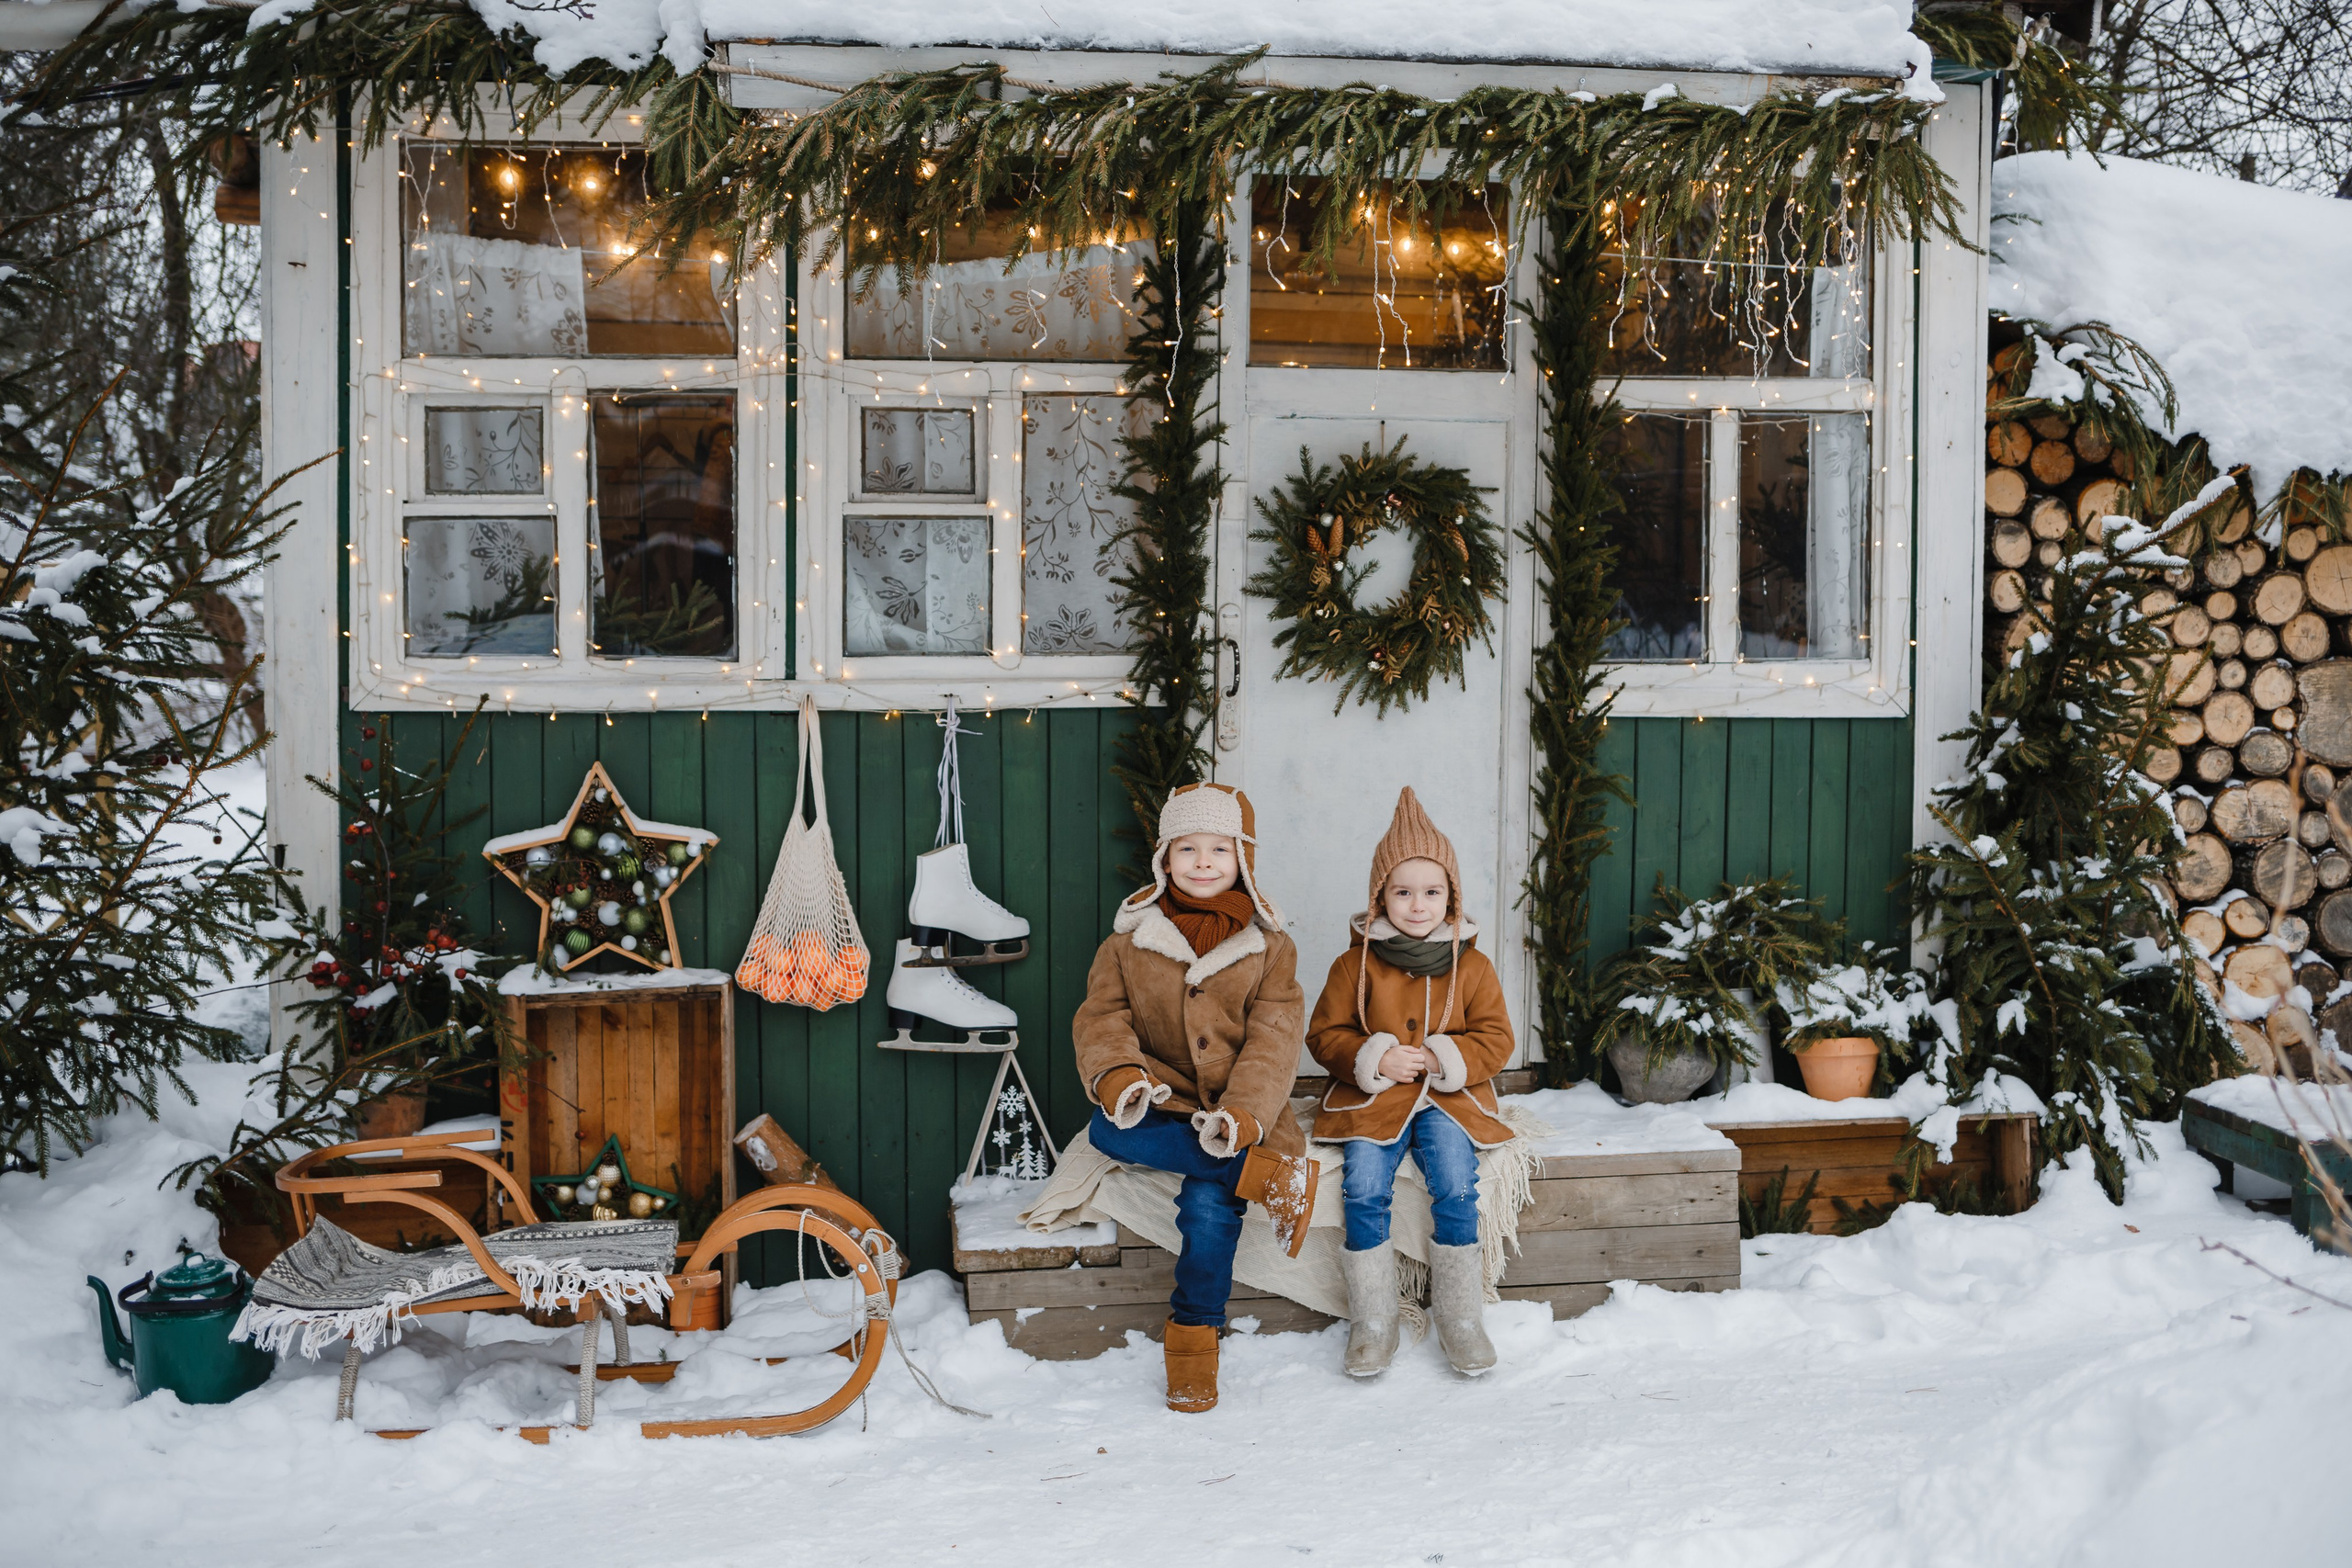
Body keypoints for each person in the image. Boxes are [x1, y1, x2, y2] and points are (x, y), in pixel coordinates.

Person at [1072, 782, 1316, 1413]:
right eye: (1188, 848)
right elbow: (1102, 1019)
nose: (1204, 861)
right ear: (1165, 858)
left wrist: (1241, 1116)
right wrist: (1122, 1077)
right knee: (1106, 1131)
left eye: (1219, 849)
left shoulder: (1270, 949)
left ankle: (1194, 1341)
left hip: (1239, 1110)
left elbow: (1275, 1040)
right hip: (1166, 1102)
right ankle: (1262, 1176)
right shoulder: (1127, 944)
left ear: (1242, 860)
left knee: (1209, 1213)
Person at [1306, 786, 1517, 1378]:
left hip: (1449, 1100)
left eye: (1432, 892)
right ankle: (1374, 1320)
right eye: (1402, 891)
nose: (1417, 904)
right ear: (1381, 897)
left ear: (1451, 898)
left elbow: (1497, 1038)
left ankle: (1460, 1315)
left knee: (1455, 1183)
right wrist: (1374, 1057)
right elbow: (1325, 1035)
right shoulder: (1354, 965)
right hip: (1375, 1100)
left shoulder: (1472, 964)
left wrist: (1447, 1055)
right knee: (1364, 1185)